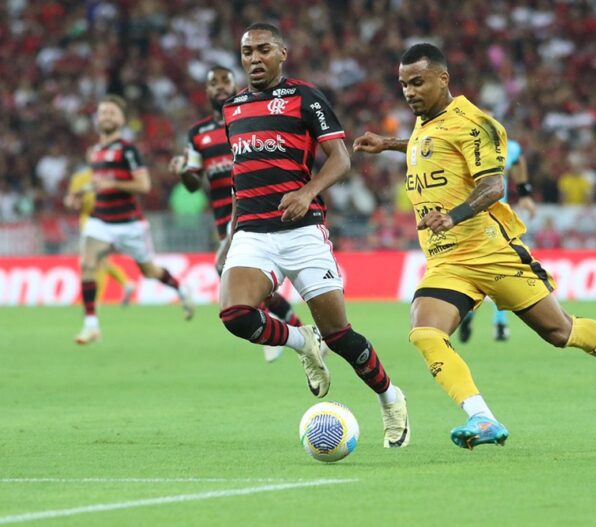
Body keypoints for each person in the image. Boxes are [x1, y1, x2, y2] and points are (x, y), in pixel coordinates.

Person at [353, 43, 596, 450]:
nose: (409, 92)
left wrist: (454, 215)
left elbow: (493, 185)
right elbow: (429, 148)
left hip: (492, 252)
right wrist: (389, 144)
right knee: (425, 332)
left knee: (560, 332)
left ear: (443, 79)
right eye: (403, 84)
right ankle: (482, 417)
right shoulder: (425, 122)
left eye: (418, 83)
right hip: (448, 261)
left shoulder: (476, 124)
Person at [218, 23, 409, 448]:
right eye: (247, 51)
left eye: (263, 49)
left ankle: (390, 398)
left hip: (302, 231)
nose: (254, 58)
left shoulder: (306, 97)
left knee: (340, 336)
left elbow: (340, 160)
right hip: (252, 232)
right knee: (235, 315)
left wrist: (308, 192)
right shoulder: (232, 109)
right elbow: (239, 180)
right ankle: (301, 341)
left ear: (282, 53)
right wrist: (230, 237)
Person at [168, 65, 304, 363]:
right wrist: (183, 173)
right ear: (206, 92)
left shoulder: (248, 116)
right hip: (223, 221)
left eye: (224, 81)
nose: (218, 86)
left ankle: (281, 332)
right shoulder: (198, 134)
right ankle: (294, 327)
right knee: (243, 279)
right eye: (212, 83)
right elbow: (193, 184)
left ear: (234, 85)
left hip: (255, 212)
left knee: (228, 271)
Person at [74, 95, 194, 344]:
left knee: (149, 271)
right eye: (103, 112)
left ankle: (182, 289)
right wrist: (81, 195)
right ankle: (91, 324)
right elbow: (99, 185)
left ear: (121, 119)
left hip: (129, 224)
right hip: (101, 221)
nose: (106, 116)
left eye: (111, 112)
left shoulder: (128, 150)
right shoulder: (94, 152)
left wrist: (113, 183)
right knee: (87, 264)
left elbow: (144, 184)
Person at [458, 136, 536, 343]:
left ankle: (492, 322)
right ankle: (489, 320)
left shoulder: (509, 147)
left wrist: (524, 193)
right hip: (474, 220)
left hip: (499, 220)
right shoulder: (462, 145)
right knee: (497, 272)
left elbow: (519, 159)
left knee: (500, 271)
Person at [64, 164, 135, 306]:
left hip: (99, 223)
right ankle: (126, 283)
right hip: (96, 223)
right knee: (99, 261)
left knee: (95, 262)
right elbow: (73, 202)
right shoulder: (85, 178)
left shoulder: (103, 177)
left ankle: (97, 299)